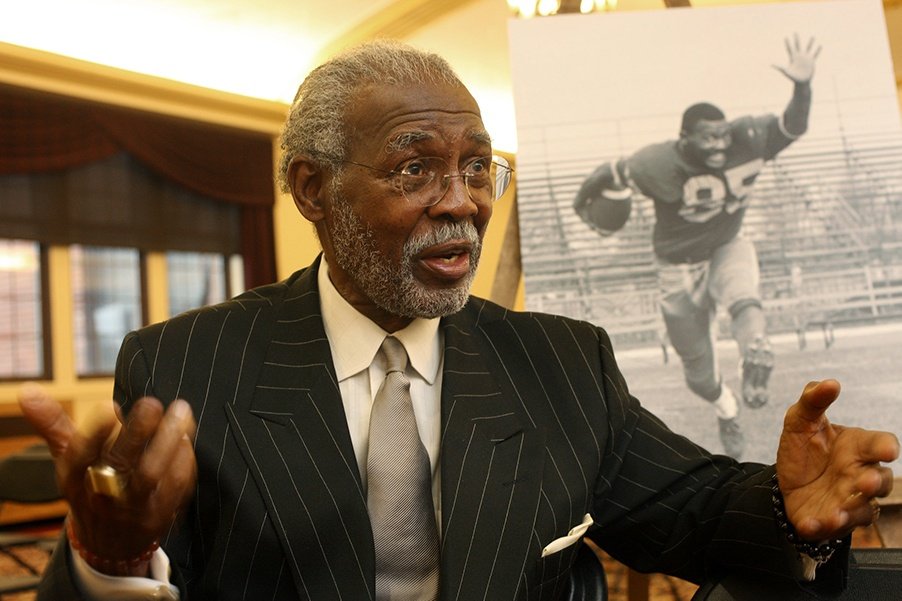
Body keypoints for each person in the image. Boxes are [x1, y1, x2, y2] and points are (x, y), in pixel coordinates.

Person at [19, 40, 897, 601]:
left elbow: (693, 507)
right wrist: (110, 559)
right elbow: (126, 565)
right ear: (313, 190)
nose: (464, 205)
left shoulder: (563, 361)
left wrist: (785, 503)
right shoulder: (186, 367)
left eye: (480, 168)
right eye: (416, 169)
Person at [573, 36, 821, 460]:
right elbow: (606, 173)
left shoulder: (748, 137)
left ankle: (754, 351)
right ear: (684, 138)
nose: (721, 144)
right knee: (699, 376)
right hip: (677, 266)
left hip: (727, 243)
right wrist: (585, 208)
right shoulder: (657, 162)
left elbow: (793, 126)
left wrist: (802, 86)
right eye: (709, 139)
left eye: (724, 136)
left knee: (743, 293)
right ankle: (726, 405)